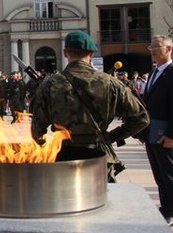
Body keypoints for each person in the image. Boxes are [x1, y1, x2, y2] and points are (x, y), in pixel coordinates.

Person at [31, 31, 149, 182]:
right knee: (101, 202)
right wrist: (112, 136)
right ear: (92, 54)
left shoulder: (49, 85)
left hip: (63, 155)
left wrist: (46, 147)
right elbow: (141, 118)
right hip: (98, 153)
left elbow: (36, 130)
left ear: (65, 53)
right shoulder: (110, 82)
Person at [138, 35, 173, 223]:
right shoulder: (153, 73)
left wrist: (171, 135)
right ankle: (166, 207)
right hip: (152, 133)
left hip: (165, 135)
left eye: (156, 46)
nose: (152, 50)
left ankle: (171, 209)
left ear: (168, 49)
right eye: (150, 46)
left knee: (169, 173)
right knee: (159, 174)